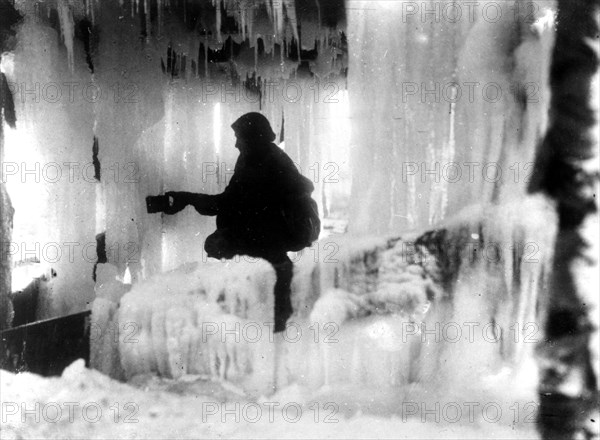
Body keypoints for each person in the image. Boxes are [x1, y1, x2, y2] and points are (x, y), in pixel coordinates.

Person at [162, 112, 317, 332]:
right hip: (266, 229)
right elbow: (230, 200)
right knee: (221, 243)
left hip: (279, 231)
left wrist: (189, 199)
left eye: (239, 138)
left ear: (254, 138)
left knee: (224, 245)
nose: (235, 144)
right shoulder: (252, 158)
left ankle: (271, 313)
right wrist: (188, 199)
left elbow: (230, 203)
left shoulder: (268, 162)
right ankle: (259, 303)